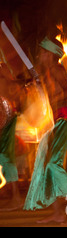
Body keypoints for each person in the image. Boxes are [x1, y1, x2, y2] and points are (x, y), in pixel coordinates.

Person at [23, 37, 67, 224]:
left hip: (64, 120)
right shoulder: (46, 73)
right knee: (45, 167)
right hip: (53, 122)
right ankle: (58, 212)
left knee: (54, 164)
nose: (40, 55)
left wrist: (55, 98)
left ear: (50, 54)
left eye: (43, 52)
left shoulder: (56, 69)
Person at [0, 62, 23, 211]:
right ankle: (13, 195)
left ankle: (16, 197)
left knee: (5, 157)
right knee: (4, 157)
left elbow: (14, 88)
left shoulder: (3, 73)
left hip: (5, 116)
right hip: (5, 115)